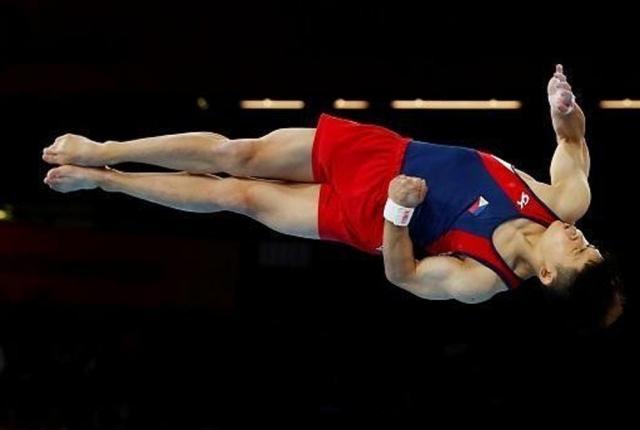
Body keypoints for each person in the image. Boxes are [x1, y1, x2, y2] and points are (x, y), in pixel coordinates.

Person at [42, 65, 622, 326]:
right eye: (590, 245)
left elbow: (403, 275)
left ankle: (108, 181)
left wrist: (398, 212)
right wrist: (564, 109)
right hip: (381, 154)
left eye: (578, 253)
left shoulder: (482, 281)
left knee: (239, 197)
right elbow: (571, 144)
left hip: (370, 216)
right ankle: (105, 148)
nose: (579, 237)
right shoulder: (564, 202)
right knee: (236, 155)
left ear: (548, 275)